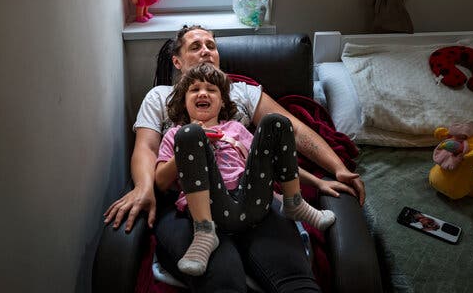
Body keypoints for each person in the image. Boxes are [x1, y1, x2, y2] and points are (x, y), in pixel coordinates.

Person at [104, 25, 365, 291]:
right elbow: (146, 148)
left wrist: (334, 170)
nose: (206, 51)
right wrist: (143, 187)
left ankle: (293, 204)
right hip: (190, 205)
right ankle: (205, 233)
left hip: (248, 194)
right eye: (196, 47)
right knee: (221, 277)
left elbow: (292, 131)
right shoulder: (160, 96)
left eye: (211, 46)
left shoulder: (242, 93)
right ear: (177, 61)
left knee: (295, 281)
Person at [156, 63, 335, 276]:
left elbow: (272, 164)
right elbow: (160, 182)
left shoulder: (236, 129)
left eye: (211, 89)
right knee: (189, 134)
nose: (203, 93)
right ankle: (204, 233)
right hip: (211, 208)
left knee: (276, 122)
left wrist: (317, 182)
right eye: (194, 89)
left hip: (252, 201)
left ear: (222, 101)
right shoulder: (176, 135)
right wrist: (190, 144)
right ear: (184, 101)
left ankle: (294, 203)